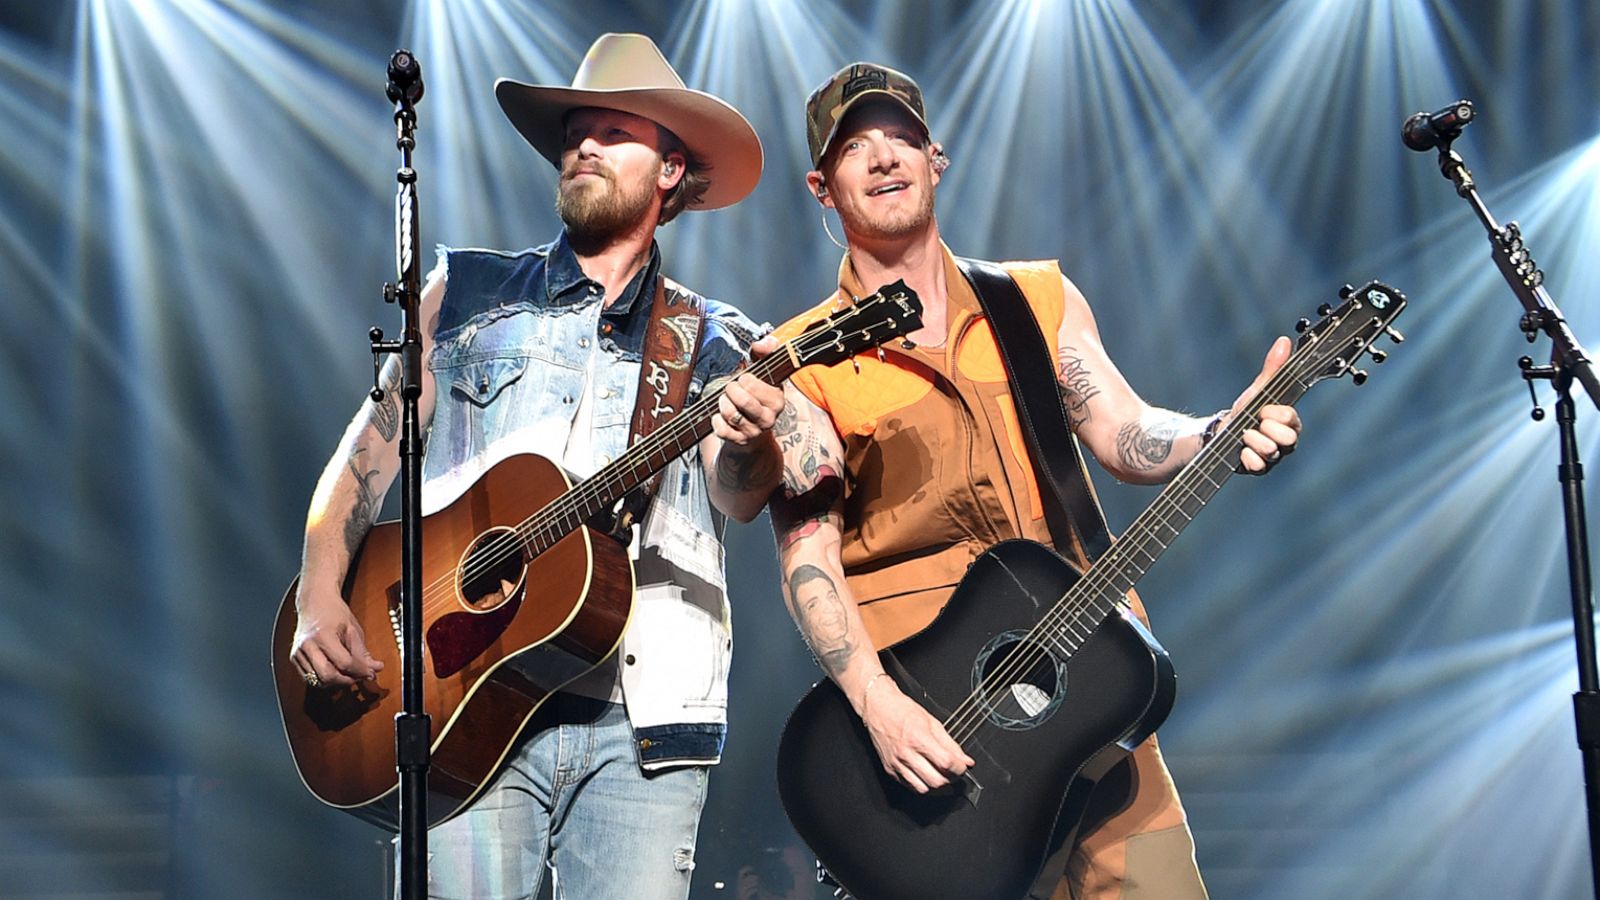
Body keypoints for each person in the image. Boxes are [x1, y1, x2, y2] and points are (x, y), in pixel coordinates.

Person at [766, 62, 1303, 899]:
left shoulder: (1032, 297)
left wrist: (1214, 431)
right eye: (854, 146)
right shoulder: (800, 356)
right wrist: (876, 705)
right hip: (932, 731)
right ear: (821, 186)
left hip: (1089, 684)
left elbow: (1125, 433)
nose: (883, 158)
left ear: (936, 160)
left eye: (902, 137)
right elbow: (807, 556)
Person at [287, 33, 784, 899]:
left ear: (671, 171)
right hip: (461, 698)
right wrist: (319, 590)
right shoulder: (466, 293)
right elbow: (366, 450)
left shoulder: (713, 340)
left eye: (612, 130)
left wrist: (748, 445)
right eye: (574, 130)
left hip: (644, 726)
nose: (582, 144)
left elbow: (740, 500)